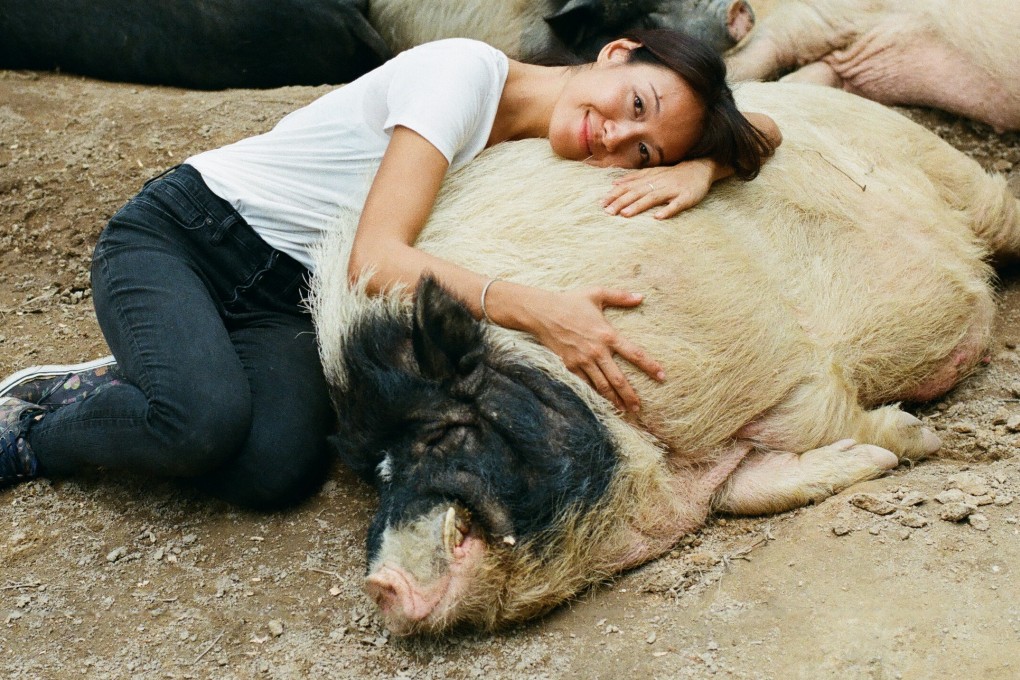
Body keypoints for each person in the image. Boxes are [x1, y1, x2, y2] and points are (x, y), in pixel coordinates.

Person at [0, 30, 781, 507]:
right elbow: (376, 261)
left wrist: (702, 168)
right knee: (199, 423)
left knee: (276, 472)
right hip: (184, 235)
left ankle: (143, 375)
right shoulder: (463, 76)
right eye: (633, 104)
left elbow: (767, 123)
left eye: (642, 151)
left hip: (286, 296)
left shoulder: (539, 133)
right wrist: (536, 308)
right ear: (615, 53)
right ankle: (40, 428)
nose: (614, 138)